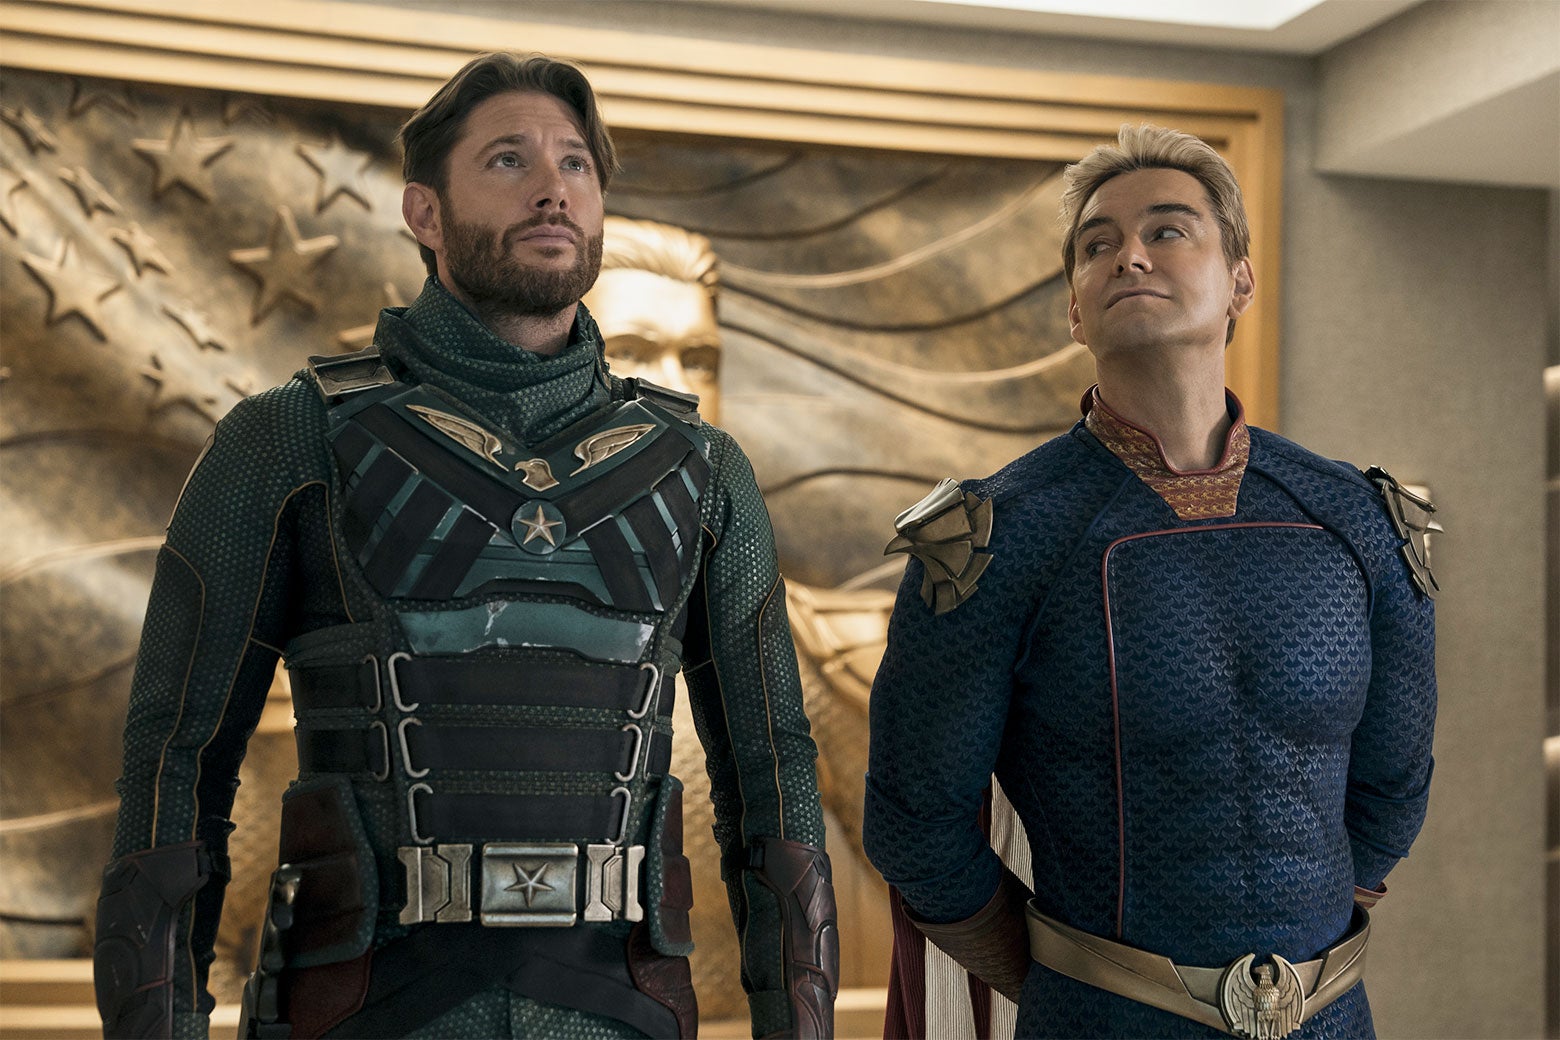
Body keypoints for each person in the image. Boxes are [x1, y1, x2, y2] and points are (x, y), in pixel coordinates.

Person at [91, 52, 837, 1040]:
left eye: (575, 164)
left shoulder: (702, 466)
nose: (551, 189)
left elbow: (774, 782)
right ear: (424, 213)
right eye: (508, 159)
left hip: (624, 1010)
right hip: (359, 1009)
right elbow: (176, 767)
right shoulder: (288, 437)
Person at [862, 124, 1437, 1039]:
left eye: (1168, 230)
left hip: (1331, 1019)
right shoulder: (993, 538)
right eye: (1098, 245)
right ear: (1074, 309)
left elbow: (1394, 788)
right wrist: (1072, 986)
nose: (1130, 255)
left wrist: (1289, 970)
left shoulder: (1358, 518)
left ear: (1240, 280)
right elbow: (915, 824)